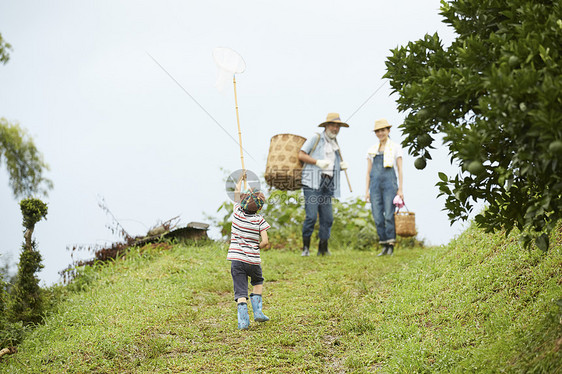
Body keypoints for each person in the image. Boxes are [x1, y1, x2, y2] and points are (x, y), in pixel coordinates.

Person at [298, 112, 349, 256]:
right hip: (312, 182)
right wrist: (317, 162)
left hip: (328, 183)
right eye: (333, 125)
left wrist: (341, 165)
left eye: (338, 126)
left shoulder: (335, 144)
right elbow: (301, 154)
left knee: (328, 218)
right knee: (312, 216)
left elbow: (333, 164)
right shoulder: (316, 138)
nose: (335, 128)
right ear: (326, 126)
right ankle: (306, 248)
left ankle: (323, 248)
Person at [226, 173, 271, 330]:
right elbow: (265, 241)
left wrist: (240, 180)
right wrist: (257, 246)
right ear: (259, 207)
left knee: (240, 290)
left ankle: (243, 321)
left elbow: (236, 194)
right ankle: (258, 311)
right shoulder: (259, 220)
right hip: (253, 261)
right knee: (257, 281)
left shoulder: (237, 213)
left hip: (236, 261)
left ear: (242, 203)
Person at [365, 118, 404, 256]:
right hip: (375, 185)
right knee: (377, 215)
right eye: (378, 131)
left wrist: (400, 189)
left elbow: (399, 169)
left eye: (383, 130)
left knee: (389, 214)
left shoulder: (396, 147)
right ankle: (383, 243)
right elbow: (368, 172)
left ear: (388, 131)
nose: (380, 133)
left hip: (390, 184)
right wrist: (367, 191)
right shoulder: (371, 150)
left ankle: (391, 245)